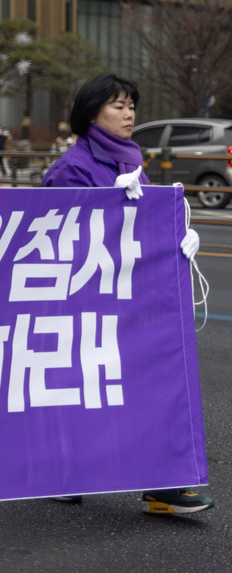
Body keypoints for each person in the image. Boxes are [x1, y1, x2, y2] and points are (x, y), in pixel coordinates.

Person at [42, 72, 212, 514]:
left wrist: (178, 237)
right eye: (118, 105)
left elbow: (146, 229)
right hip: (86, 303)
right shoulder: (71, 168)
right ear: (91, 112)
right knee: (85, 388)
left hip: (134, 299)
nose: (129, 113)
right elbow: (61, 244)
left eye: (131, 105)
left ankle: (163, 484)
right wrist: (110, 212)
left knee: (154, 381)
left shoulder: (131, 160)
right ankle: (67, 471)